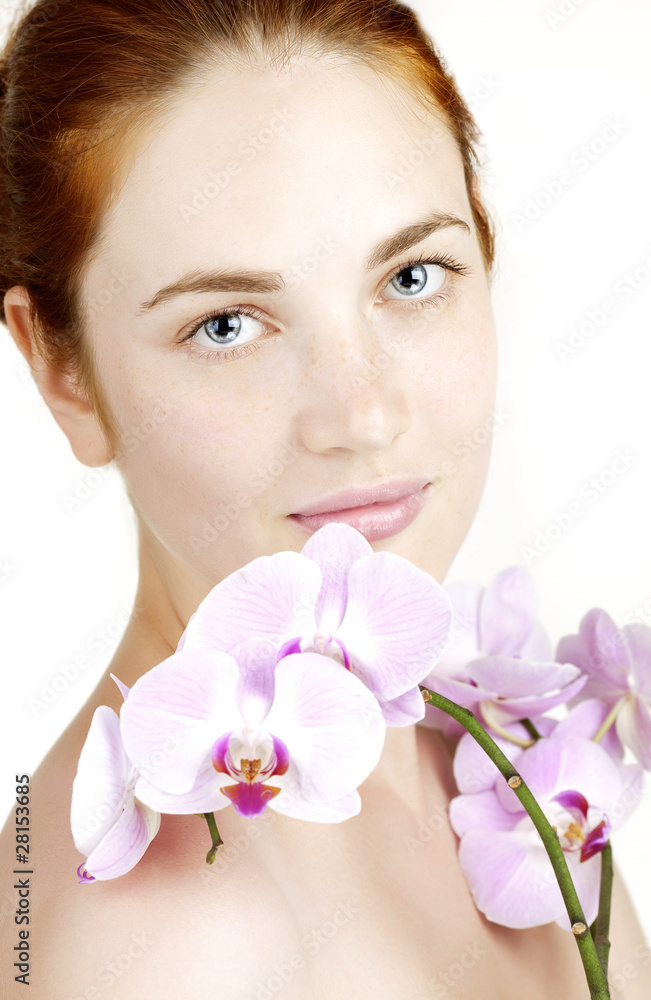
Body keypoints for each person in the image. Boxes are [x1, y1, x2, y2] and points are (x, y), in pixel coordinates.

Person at [0, 1, 648, 996]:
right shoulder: (166, 950)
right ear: (61, 370)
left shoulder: (516, 774)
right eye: (225, 325)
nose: (363, 412)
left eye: (414, 273)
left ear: (484, 237)